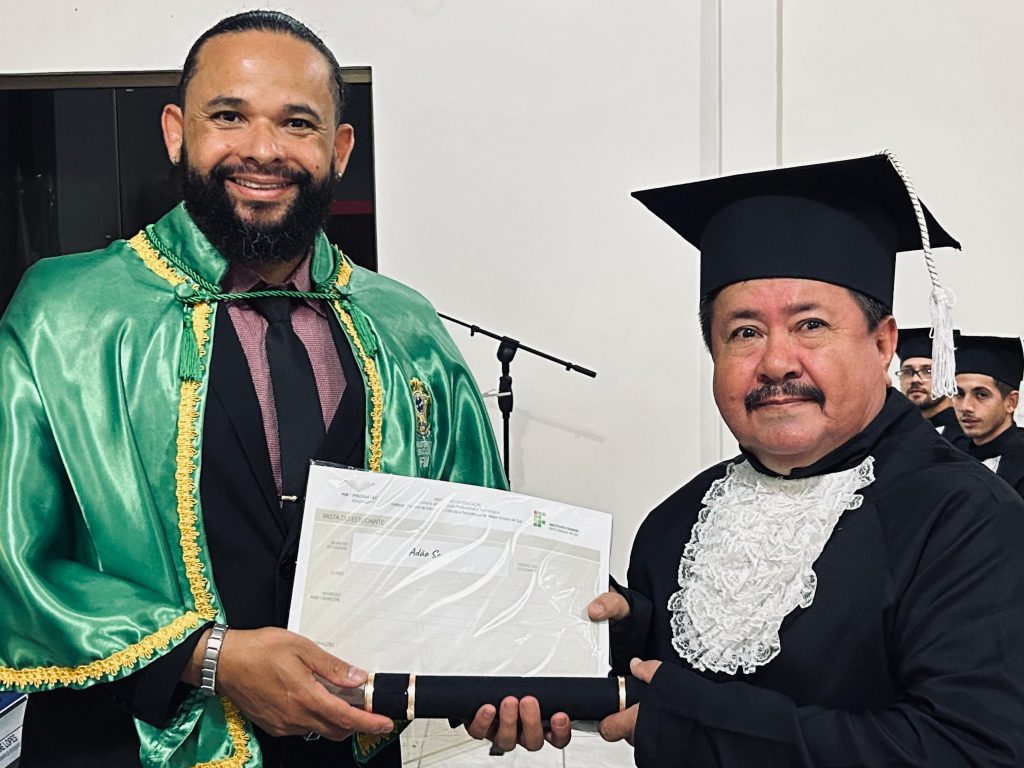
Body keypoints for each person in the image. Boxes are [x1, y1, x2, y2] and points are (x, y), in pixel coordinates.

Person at [0, 11, 506, 768]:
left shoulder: (404, 326)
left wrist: (530, 658)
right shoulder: (66, 316)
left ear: (338, 150)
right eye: (229, 116)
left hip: (348, 751)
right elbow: (14, 554)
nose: (263, 150)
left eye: (297, 123)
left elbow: (479, 537)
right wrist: (211, 660)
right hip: (121, 743)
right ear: (177, 132)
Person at [561, 155, 1024, 766]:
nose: (776, 362)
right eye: (745, 333)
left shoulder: (968, 518)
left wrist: (702, 726)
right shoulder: (674, 525)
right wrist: (607, 637)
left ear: (882, 343)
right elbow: (665, 675)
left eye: (810, 325)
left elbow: (974, 751)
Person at [953, 334, 1024, 498]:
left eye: (981, 395)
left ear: (1011, 402)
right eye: (959, 394)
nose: (966, 407)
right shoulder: (953, 455)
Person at [894, 326, 966, 443]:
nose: (915, 379)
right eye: (907, 371)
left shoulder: (967, 435)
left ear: (950, 377)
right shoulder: (894, 433)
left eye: (928, 371)